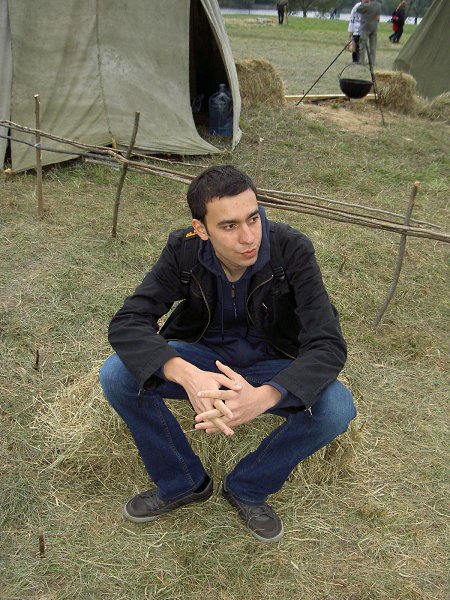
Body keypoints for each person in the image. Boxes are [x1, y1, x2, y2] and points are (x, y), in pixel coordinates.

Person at [99, 165, 356, 544]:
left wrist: (265, 397)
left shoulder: (291, 249)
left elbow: (328, 344)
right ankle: (183, 481)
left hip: (274, 364)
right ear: (201, 228)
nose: (248, 237)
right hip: (204, 359)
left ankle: (248, 487)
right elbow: (129, 321)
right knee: (116, 375)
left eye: (253, 218)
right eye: (229, 226)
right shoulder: (185, 248)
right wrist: (185, 374)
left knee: (337, 408)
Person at [357, 0, 381, 66]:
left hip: (365, 27)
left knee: (362, 44)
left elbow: (358, 9)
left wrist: (363, 2)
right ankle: (372, 61)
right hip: (374, 27)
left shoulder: (366, 5)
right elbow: (378, 17)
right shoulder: (378, 5)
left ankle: (361, 60)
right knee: (373, 46)